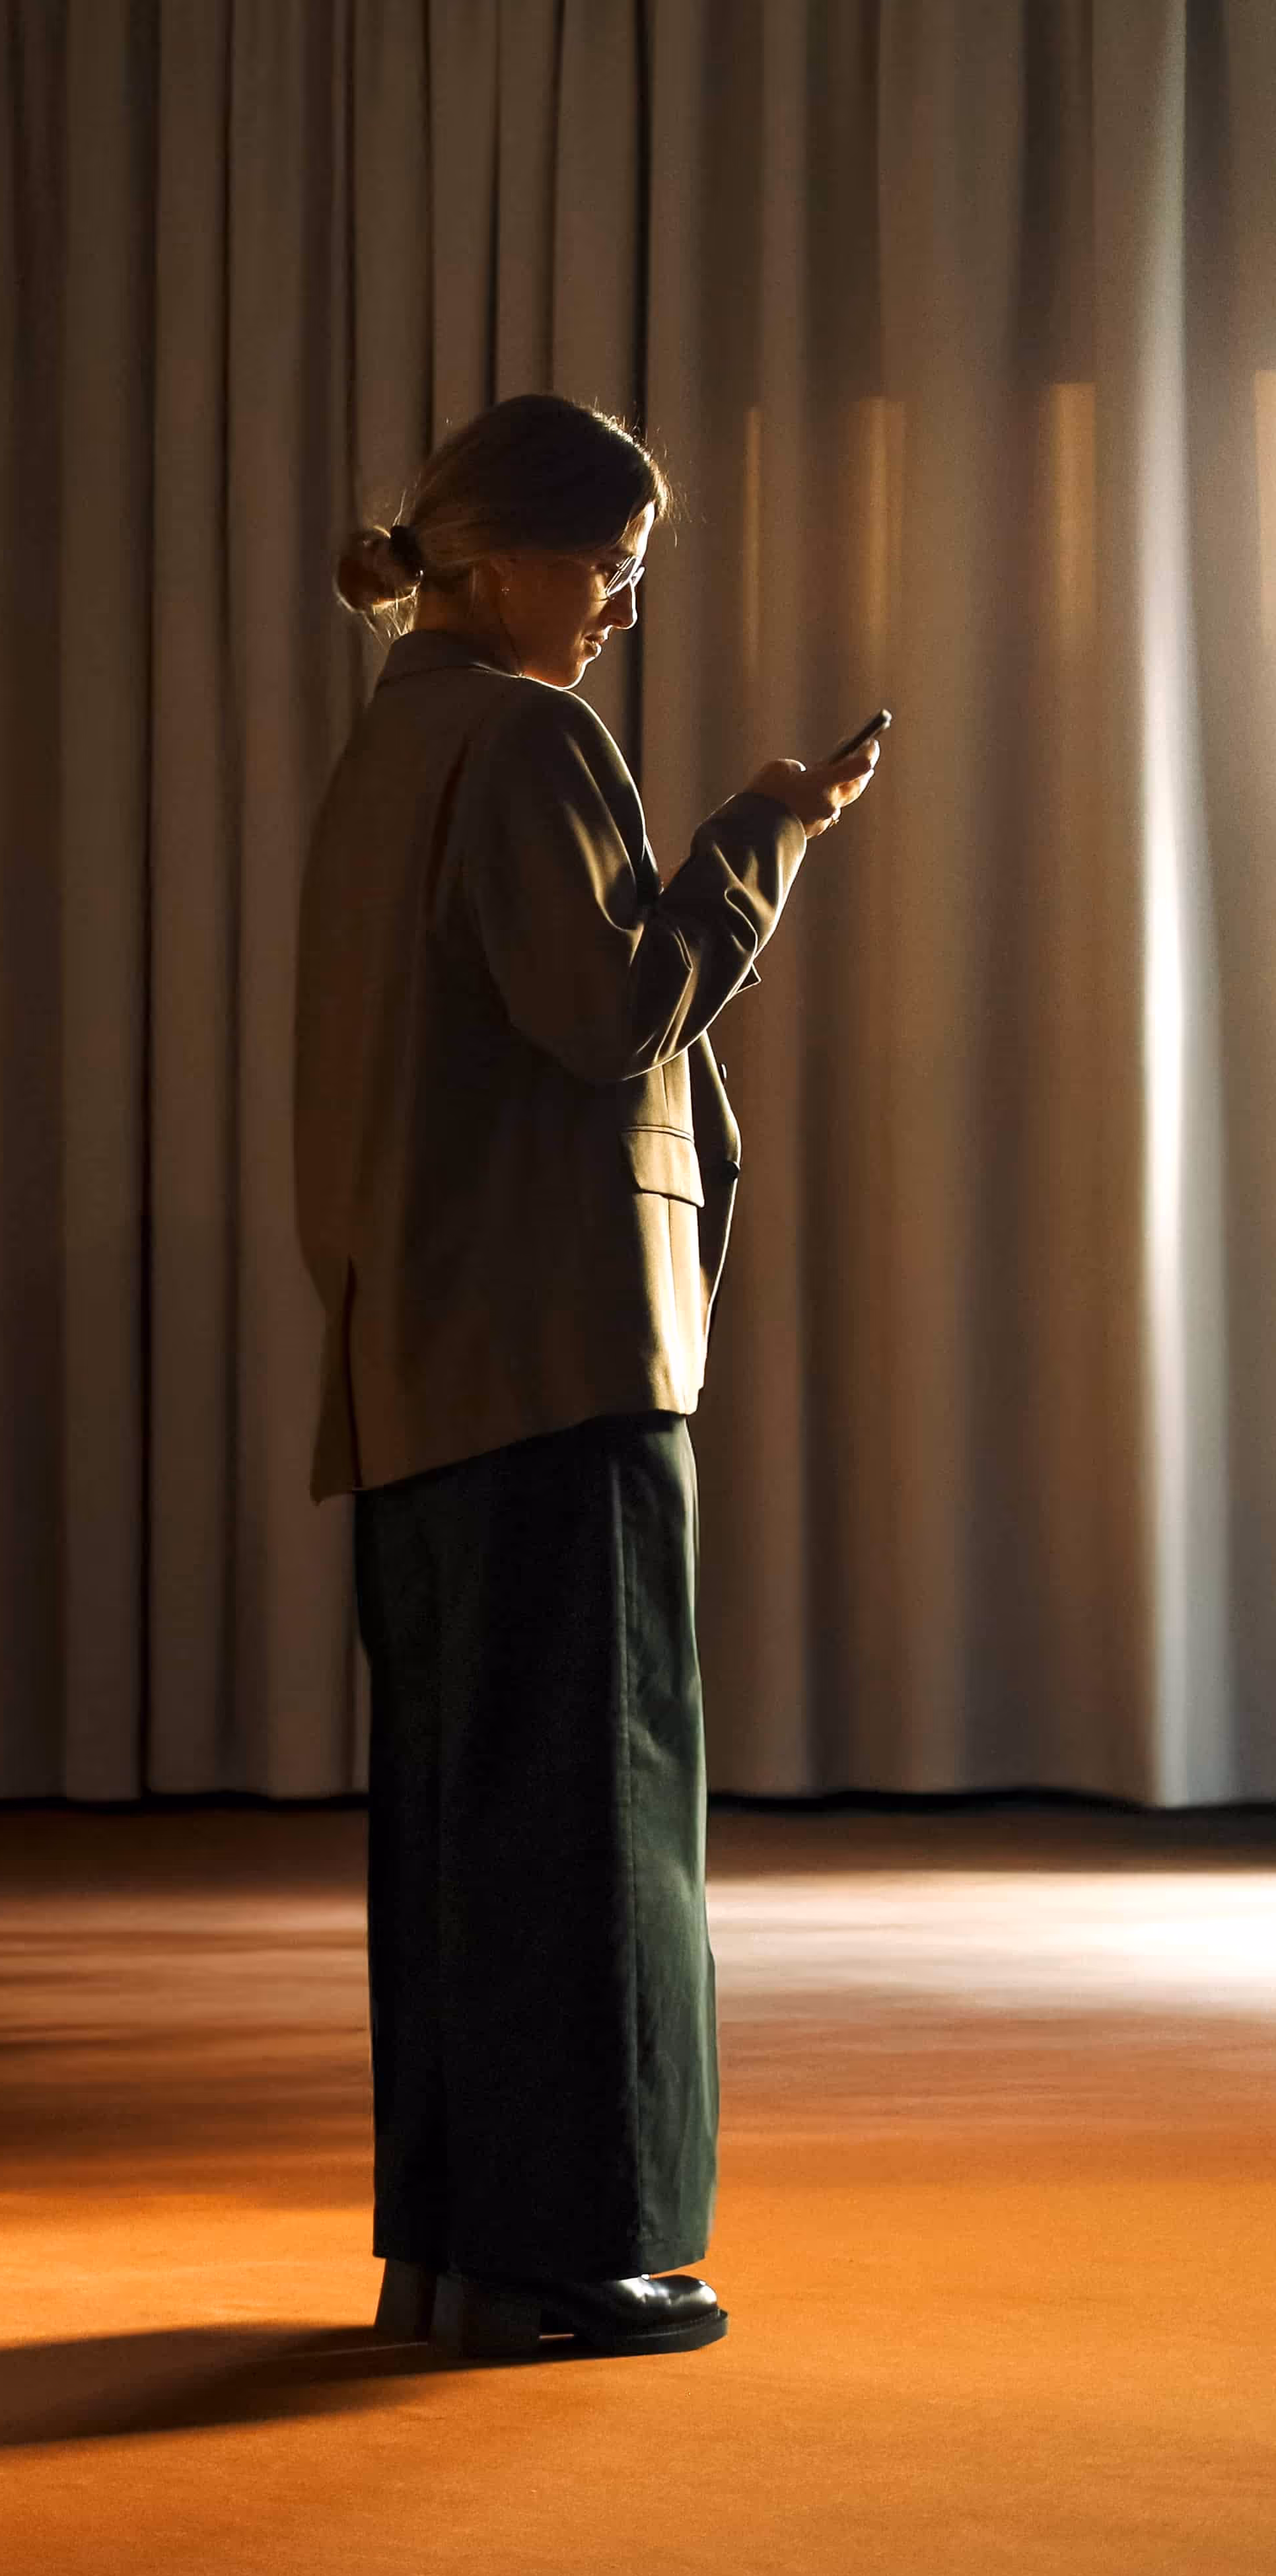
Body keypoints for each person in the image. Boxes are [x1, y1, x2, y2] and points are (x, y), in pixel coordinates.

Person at [293, 394, 880, 2363]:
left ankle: (454, 2250)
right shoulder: (529, 735)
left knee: (471, 1823)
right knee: (594, 1818)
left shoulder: (395, 744)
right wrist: (761, 833)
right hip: (558, 1351)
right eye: (610, 557)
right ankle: (572, 2257)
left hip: (424, 1355)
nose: (625, 600)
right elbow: (610, 1008)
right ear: (507, 559)